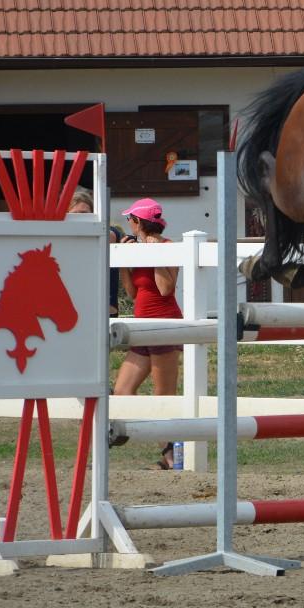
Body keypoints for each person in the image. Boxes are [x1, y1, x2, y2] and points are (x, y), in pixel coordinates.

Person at [113, 198, 183, 469]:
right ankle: (168, 446)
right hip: (142, 328)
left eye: (130, 220)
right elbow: (133, 294)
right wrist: (124, 261)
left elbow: (165, 289)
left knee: (163, 395)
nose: (129, 225)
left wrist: (154, 255)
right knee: (122, 391)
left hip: (164, 326)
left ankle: (172, 455)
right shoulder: (138, 249)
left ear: (138, 222)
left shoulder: (167, 247)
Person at [67, 187, 122, 317]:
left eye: (84, 214)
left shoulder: (108, 233)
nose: (80, 219)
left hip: (104, 307)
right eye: (75, 214)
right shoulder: (64, 237)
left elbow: (109, 234)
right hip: (73, 304)